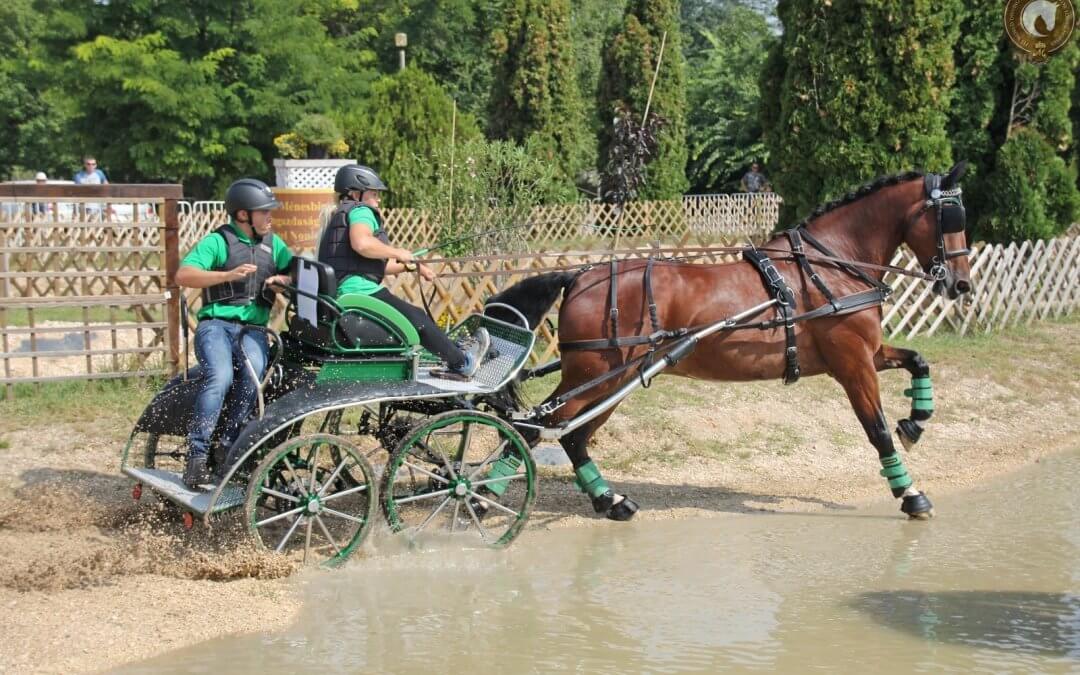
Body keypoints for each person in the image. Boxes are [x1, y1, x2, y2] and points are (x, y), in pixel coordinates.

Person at [175, 178, 294, 488]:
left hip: (253, 330)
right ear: (243, 215)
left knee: (254, 374)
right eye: (264, 212)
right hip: (216, 326)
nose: (270, 217)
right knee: (221, 376)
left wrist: (282, 279)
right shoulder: (218, 242)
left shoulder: (274, 244)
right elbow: (183, 275)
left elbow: (295, 271)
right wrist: (226, 275)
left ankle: (227, 445)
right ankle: (197, 457)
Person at [318, 164, 489, 378]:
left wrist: (412, 266)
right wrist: (397, 251)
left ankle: (455, 349)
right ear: (356, 193)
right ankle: (463, 363)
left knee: (416, 317)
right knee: (418, 321)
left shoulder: (338, 215)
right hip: (358, 292)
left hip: (347, 291)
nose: (378, 199)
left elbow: (371, 264)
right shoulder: (361, 211)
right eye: (374, 193)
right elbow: (362, 243)